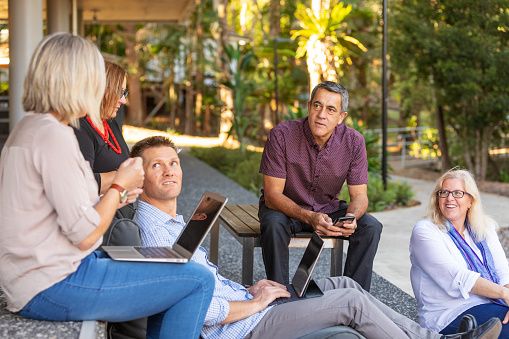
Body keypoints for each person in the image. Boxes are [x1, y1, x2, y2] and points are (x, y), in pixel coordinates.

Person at [131, 135, 501, 339]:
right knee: (350, 304)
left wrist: (252, 288)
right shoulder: (152, 235)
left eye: (174, 162)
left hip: (250, 306)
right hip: (246, 329)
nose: (170, 171)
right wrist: (256, 303)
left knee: (344, 283)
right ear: (138, 176)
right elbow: (205, 311)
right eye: (156, 165)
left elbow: (206, 284)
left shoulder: (172, 223)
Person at [0, 33, 214, 339]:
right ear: (78, 81)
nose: (102, 88)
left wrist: (119, 196)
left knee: (168, 264)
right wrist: (117, 187)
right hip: (51, 282)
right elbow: (85, 235)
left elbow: (59, 206)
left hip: (38, 273)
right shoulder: (54, 137)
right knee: (198, 280)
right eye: (95, 77)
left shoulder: (32, 128)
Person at [258, 81, 382, 290]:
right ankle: (278, 296)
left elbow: (359, 196)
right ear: (309, 107)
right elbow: (272, 195)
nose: (322, 114)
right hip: (285, 209)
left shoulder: (353, 142)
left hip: (327, 209)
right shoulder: (282, 135)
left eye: (331, 109)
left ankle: (353, 296)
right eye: (317, 105)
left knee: (370, 227)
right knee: (273, 224)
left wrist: (350, 218)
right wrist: (309, 217)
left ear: (341, 117)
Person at [410, 169, 509, 337]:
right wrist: (505, 295)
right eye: (444, 193)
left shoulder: (484, 228)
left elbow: (502, 273)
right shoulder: (425, 231)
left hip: (490, 303)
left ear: (470, 200)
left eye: (458, 193)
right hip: (448, 315)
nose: (450, 198)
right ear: (437, 198)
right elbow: (459, 279)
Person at [73, 61, 130, 194]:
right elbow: (80, 185)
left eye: (124, 93)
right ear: (99, 89)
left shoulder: (110, 123)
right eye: (119, 92)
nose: (123, 100)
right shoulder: (79, 127)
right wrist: (125, 177)